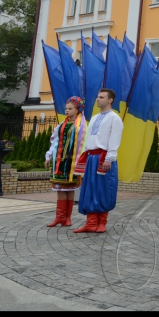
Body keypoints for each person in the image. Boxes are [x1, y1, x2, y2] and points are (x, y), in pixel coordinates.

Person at [73, 88, 124, 234]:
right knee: (89, 189)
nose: (97, 99)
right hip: (91, 158)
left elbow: (115, 140)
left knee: (103, 190)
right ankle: (91, 222)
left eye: (101, 97)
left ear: (110, 100)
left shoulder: (115, 118)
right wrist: (84, 156)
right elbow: (89, 139)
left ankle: (102, 222)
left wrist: (109, 158)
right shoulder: (94, 118)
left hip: (104, 158)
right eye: (97, 97)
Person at [44, 97, 87, 228]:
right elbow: (55, 142)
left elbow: (84, 144)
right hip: (59, 162)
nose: (67, 111)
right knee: (60, 188)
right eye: (66, 108)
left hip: (73, 162)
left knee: (70, 188)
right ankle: (59, 217)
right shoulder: (61, 125)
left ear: (78, 109)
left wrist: (81, 162)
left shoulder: (82, 126)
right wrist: (49, 155)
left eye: (70, 108)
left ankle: (67, 218)